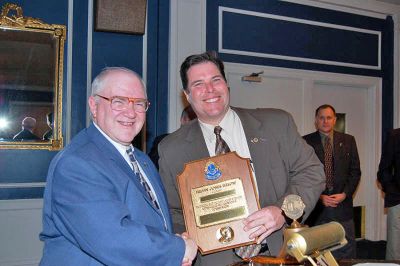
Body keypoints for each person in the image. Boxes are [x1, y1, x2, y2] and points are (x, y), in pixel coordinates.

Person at [158, 51, 325, 265]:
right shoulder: (172, 149)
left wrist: (283, 211)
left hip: (281, 254)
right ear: (187, 95)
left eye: (215, 80)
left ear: (226, 85)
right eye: (198, 84)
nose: (210, 90)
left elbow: (312, 172)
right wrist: (187, 240)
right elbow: (172, 210)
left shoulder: (276, 124)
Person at [39, 67, 197, 266]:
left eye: (139, 104)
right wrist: (178, 249)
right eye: (118, 101)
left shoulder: (142, 160)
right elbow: (112, 238)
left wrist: (173, 241)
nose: (130, 112)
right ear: (93, 106)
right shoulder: (77, 163)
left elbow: (153, 222)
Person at [303, 104, 361, 259]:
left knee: (346, 253)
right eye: (321, 118)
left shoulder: (348, 140)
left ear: (335, 120)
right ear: (316, 120)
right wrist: (319, 197)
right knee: (317, 254)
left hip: (343, 207)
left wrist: (345, 194)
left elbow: (355, 172)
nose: (325, 121)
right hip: (317, 210)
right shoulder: (305, 142)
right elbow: (302, 175)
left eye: (329, 117)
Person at [148, 105, 197, 169]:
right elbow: (151, 169)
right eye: (192, 121)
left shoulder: (205, 145)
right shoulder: (163, 142)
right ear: (183, 120)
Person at [377, 128, 400, 260]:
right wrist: (393, 192)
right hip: (398, 201)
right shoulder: (395, 136)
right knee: (395, 252)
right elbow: (383, 170)